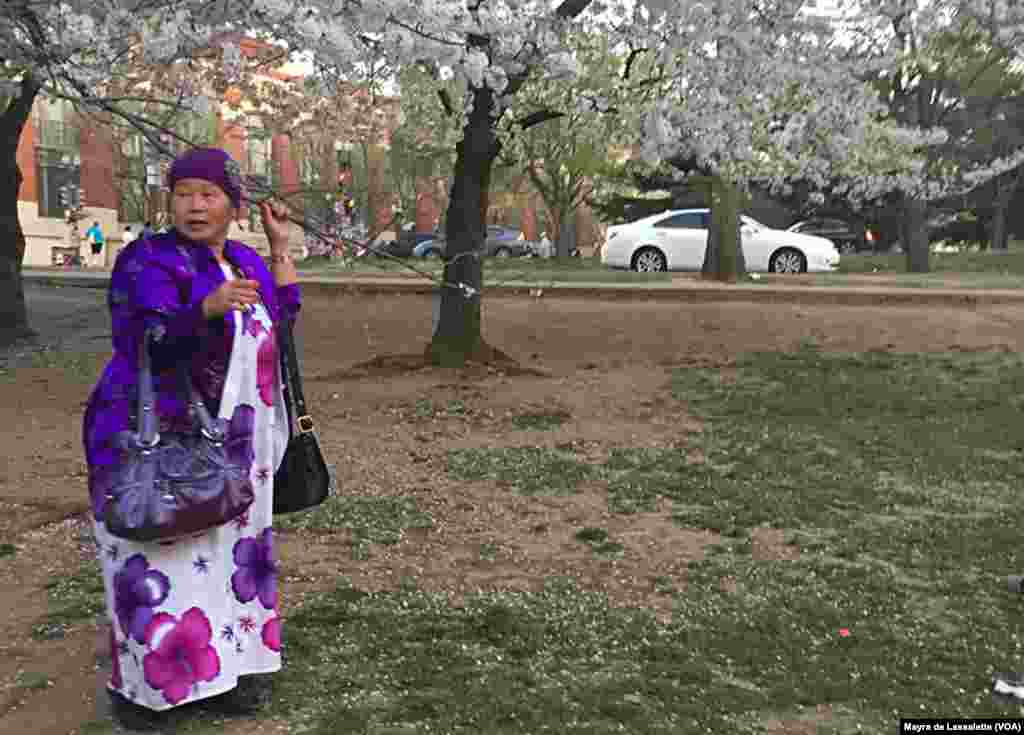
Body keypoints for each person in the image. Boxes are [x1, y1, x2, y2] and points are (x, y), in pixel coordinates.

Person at [82, 148, 300, 730]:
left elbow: (283, 318)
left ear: (234, 204)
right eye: (184, 193)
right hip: (160, 437)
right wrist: (201, 309)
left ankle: (226, 672)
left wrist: (280, 253)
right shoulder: (147, 259)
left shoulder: (243, 258)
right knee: (160, 555)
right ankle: (147, 691)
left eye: (209, 193)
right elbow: (142, 336)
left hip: (237, 444)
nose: (195, 205)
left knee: (229, 558)